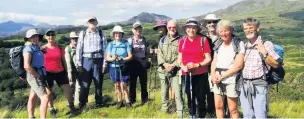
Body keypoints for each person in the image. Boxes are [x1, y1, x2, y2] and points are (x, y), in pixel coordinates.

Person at [240, 18, 280, 118]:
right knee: (247, 115)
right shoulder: (245, 45)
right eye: (245, 28)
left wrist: (265, 53)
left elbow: (276, 64)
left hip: (259, 85)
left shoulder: (266, 44)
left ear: (258, 29)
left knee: (260, 114)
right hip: (244, 85)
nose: (248, 30)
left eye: (250, 28)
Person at [178, 18, 212, 118]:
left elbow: (208, 58)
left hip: (201, 73)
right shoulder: (182, 41)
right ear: (185, 29)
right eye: (189, 27)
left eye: (194, 28)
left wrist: (197, 65)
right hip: (187, 74)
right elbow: (179, 58)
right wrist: (183, 66)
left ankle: (201, 115)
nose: (191, 30)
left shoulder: (203, 40)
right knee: (190, 96)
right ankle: (192, 114)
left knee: (201, 97)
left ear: (197, 29)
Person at [210, 20, 244, 118]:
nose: (224, 33)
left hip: (232, 79)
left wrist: (221, 76)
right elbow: (214, 61)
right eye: (221, 31)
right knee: (218, 107)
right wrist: (213, 75)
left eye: (226, 30)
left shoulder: (238, 43)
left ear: (231, 30)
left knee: (232, 109)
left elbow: (238, 65)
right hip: (217, 78)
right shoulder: (218, 44)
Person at [76, 17, 108, 108]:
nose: (92, 23)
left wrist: (104, 63)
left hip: (98, 60)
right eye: (90, 22)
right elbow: (79, 49)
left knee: (98, 83)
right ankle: (82, 103)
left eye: (94, 21)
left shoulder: (101, 34)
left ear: (97, 22)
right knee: (85, 84)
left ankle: (98, 102)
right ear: (88, 23)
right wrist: (79, 64)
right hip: (86, 60)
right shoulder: (83, 34)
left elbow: (105, 50)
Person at [42, 29, 76, 115]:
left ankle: (71, 106)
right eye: (48, 35)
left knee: (68, 89)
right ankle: (52, 109)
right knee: (49, 92)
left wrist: (68, 72)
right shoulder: (42, 49)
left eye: (52, 35)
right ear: (45, 37)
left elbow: (64, 60)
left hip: (60, 71)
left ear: (55, 36)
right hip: (47, 72)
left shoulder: (60, 47)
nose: (51, 37)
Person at [157, 20, 183, 117]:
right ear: (167, 28)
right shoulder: (162, 40)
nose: (172, 29)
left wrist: (173, 65)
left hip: (176, 70)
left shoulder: (181, 40)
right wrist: (164, 64)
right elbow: (160, 54)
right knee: (164, 91)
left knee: (178, 92)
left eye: (174, 27)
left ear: (176, 28)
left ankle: (180, 112)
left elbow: (182, 55)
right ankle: (165, 110)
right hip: (163, 70)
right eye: (169, 27)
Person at [23, 29, 50, 118]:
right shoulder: (28, 49)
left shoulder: (36, 47)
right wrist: (38, 76)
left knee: (33, 97)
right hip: (34, 75)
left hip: (38, 74)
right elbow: (26, 66)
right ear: (29, 39)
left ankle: (31, 117)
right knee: (45, 98)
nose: (35, 38)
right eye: (32, 37)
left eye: (36, 36)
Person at [106, 25, 133, 109]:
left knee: (123, 84)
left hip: (123, 66)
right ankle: (119, 101)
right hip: (113, 67)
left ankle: (127, 101)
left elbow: (130, 56)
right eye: (116, 33)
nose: (118, 34)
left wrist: (123, 59)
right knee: (117, 85)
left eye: (119, 33)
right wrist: (112, 58)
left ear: (122, 34)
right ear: (114, 34)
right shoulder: (110, 44)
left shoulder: (126, 43)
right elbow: (107, 57)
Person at [202, 13, 221, 117]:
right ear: (206, 24)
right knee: (209, 91)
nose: (212, 24)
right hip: (206, 69)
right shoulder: (203, 39)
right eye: (209, 22)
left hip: (221, 69)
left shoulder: (223, 37)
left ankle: (222, 112)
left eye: (214, 22)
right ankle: (211, 111)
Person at [128, 21, 149, 105]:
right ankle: (132, 100)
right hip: (133, 64)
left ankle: (145, 99)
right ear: (133, 30)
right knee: (132, 83)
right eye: (136, 29)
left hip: (143, 64)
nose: (138, 30)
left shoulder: (145, 40)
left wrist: (147, 61)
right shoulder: (129, 40)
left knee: (143, 83)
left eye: (139, 28)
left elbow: (147, 52)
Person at [65, 31, 80, 106]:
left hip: (79, 70)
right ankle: (71, 103)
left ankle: (77, 103)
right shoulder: (68, 49)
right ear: (70, 39)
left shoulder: (80, 48)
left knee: (79, 87)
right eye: (73, 39)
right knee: (71, 87)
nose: (75, 40)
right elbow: (68, 62)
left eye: (76, 39)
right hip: (71, 71)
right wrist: (69, 73)